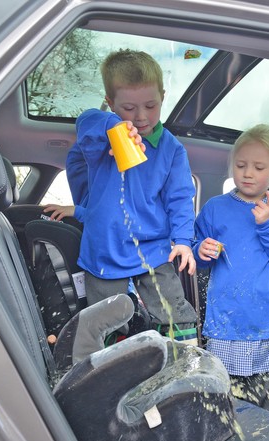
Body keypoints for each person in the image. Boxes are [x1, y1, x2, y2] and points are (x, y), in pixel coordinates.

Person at [44, 49, 198, 341]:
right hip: (105, 246)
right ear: (111, 103)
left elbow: (180, 200)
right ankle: (115, 370)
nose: (141, 117)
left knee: (174, 311)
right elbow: (86, 121)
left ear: (162, 97)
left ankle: (186, 360)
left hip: (153, 247)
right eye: (128, 108)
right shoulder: (102, 139)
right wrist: (113, 127)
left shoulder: (172, 150)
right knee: (106, 321)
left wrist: (182, 241)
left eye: (150, 105)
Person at [192, 124, 269, 411]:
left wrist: (267, 224)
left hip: (268, 323)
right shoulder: (215, 208)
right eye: (241, 165)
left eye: (258, 167)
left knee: (266, 398)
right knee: (225, 396)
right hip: (226, 322)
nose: (248, 172)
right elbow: (196, 249)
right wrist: (201, 250)